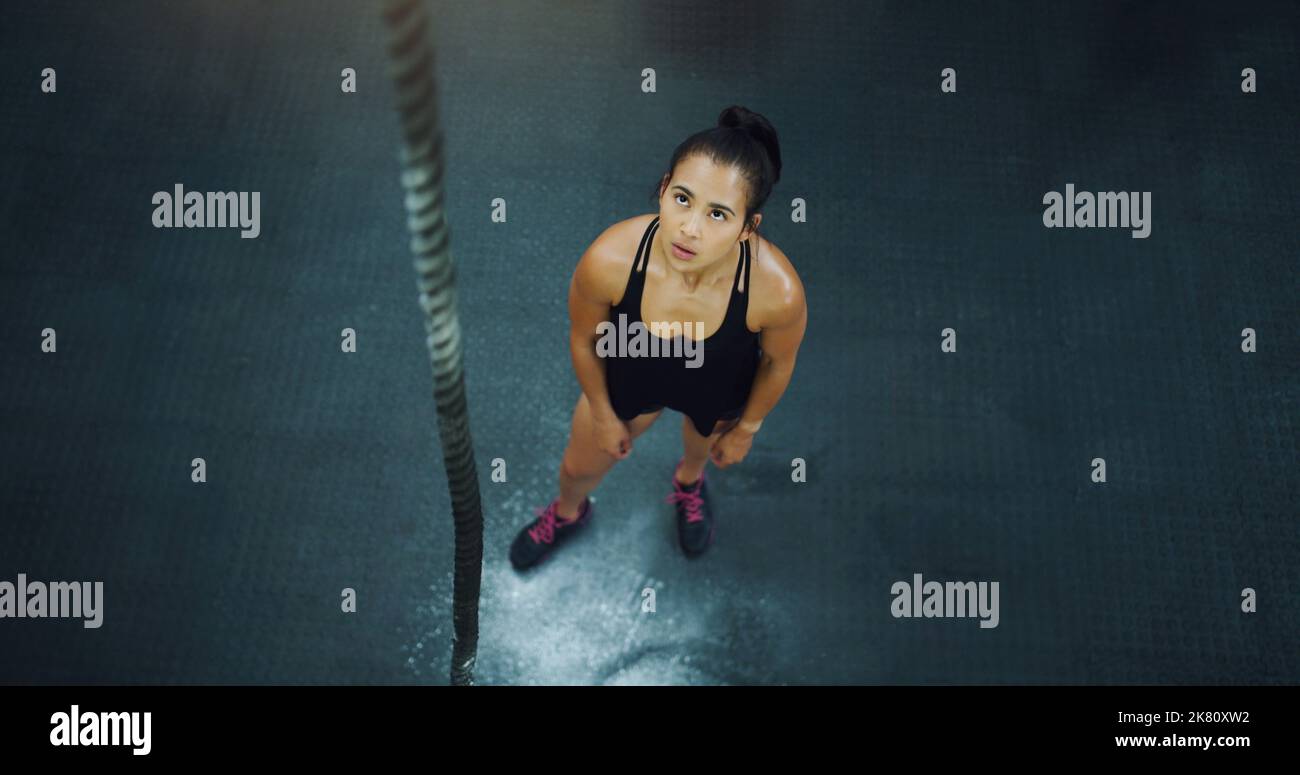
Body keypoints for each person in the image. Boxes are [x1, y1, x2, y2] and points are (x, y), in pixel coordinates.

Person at [510, 105, 807, 570]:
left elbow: (776, 364)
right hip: (631, 371)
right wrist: (605, 415)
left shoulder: (777, 292)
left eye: (718, 214)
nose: (690, 229)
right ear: (665, 188)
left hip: (719, 386)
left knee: (700, 448)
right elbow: (585, 339)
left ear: (748, 227)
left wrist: (747, 428)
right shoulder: (609, 260)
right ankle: (567, 514)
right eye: (683, 199)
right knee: (577, 467)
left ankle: (690, 481)